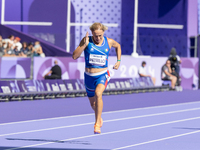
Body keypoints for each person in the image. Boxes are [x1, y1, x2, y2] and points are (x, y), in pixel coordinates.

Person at [72, 22, 121, 134]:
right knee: (93, 104)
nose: (98, 38)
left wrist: (118, 61)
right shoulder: (87, 41)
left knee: (98, 94)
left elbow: (118, 46)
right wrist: (84, 45)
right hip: (89, 76)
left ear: (103, 33)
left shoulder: (108, 41)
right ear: (92, 34)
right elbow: (74, 56)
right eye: (95, 36)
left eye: (100, 35)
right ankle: (99, 116)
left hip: (102, 74)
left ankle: (97, 123)